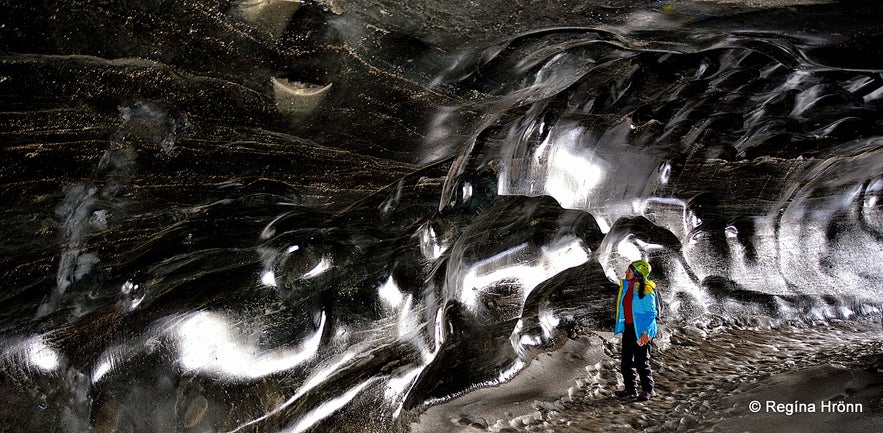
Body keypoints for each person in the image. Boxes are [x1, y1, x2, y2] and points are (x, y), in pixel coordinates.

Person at [613, 259, 658, 401]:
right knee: (626, 360)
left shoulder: (647, 290)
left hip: (641, 330)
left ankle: (648, 389)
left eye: (630, 270)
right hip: (629, 328)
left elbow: (651, 314)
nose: (626, 272)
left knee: (641, 361)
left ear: (637, 274)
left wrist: (646, 333)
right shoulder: (627, 286)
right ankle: (630, 389)